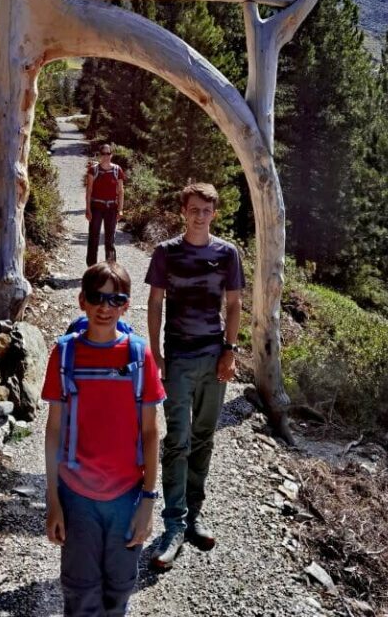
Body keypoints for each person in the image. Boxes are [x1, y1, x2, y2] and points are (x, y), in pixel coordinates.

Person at [43, 261, 165, 617]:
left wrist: (148, 501)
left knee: (120, 587)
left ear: (126, 305)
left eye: (115, 300)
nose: (104, 307)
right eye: (96, 298)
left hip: (127, 496)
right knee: (80, 591)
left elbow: (151, 432)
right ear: (81, 301)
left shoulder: (138, 356)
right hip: (76, 495)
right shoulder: (64, 354)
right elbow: (53, 431)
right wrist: (53, 500)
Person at [145, 182, 243, 571]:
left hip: (214, 357)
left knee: (203, 438)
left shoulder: (227, 254)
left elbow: (234, 305)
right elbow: (154, 303)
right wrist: (156, 354)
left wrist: (230, 351)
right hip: (180, 359)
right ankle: (173, 525)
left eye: (206, 210)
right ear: (183, 211)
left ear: (213, 213)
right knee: (177, 441)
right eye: (193, 209)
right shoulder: (166, 253)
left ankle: (193, 516)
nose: (199, 215)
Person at [85, 143, 125, 267]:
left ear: (111, 155)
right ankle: (92, 267)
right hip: (96, 207)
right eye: (103, 153)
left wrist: (120, 209)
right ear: (100, 155)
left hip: (111, 208)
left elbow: (121, 190)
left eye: (108, 153)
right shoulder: (94, 170)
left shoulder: (117, 170)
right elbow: (89, 190)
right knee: (94, 238)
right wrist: (88, 209)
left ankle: (111, 267)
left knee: (110, 239)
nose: (106, 156)